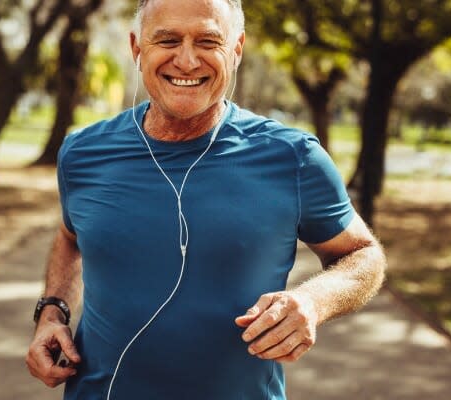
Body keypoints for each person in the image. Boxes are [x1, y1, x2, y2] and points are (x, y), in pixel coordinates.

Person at [26, 0, 386, 398]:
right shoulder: (82, 153)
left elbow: (364, 255)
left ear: (236, 49)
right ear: (136, 48)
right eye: (167, 39)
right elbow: (70, 236)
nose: (186, 60)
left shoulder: (293, 157)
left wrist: (313, 302)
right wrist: (52, 312)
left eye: (207, 41)